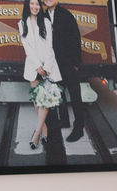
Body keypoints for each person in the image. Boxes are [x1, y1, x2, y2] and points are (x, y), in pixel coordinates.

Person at [19, 0, 61, 150]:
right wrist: (37, 65)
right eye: (32, 4)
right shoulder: (22, 23)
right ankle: (44, 129)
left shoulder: (46, 22)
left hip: (48, 66)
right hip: (33, 66)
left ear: (40, 6)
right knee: (37, 100)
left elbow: (50, 46)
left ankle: (36, 134)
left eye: (37, 4)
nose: (35, 7)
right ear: (27, 5)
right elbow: (27, 47)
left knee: (45, 100)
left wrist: (47, 66)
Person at [44, 0, 84, 142]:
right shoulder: (43, 16)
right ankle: (64, 120)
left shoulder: (66, 15)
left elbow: (76, 38)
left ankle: (79, 128)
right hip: (54, 64)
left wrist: (76, 63)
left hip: (68, 63)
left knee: (75, 96)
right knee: (59, 93)